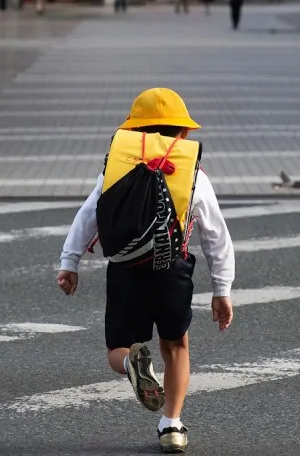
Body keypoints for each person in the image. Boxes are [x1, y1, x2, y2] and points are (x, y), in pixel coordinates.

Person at [56, 88, 235, 454]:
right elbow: (216, 234)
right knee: (176, 345)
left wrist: (69, 262)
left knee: (116, 348)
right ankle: (172, 424)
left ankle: (130, 364)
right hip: (172, 270)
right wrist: (222, 288)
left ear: (134, 131)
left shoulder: (115, 165)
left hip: (125, 269)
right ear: (182, 134)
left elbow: (89, 214)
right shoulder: (193, 173)